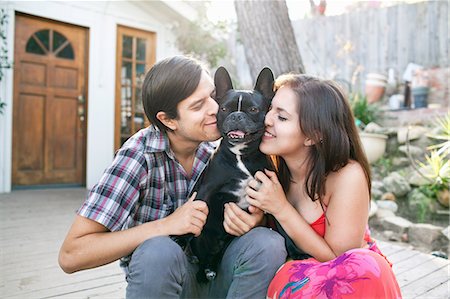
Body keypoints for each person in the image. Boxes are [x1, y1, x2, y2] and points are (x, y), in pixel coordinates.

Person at [58, 56, 286, 298]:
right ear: (168, 120)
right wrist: (166, 225)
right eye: (198, 106)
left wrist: (253, 222)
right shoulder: (139, 157)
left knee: (266, 241)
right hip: (169, 283)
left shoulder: (219, 150)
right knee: (159, 250)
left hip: (221, 272)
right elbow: (71, 255)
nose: (214, 108)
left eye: (213, 96)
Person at [245, 74, 402, 298]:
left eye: (281, 117)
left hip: (349, 284)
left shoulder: (346, 176)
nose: (267, 120)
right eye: (270, 109)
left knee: (362, 265)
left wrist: (281, 208)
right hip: (291, 279)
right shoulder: (269, 169)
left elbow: (340, 261)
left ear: (313, 135)